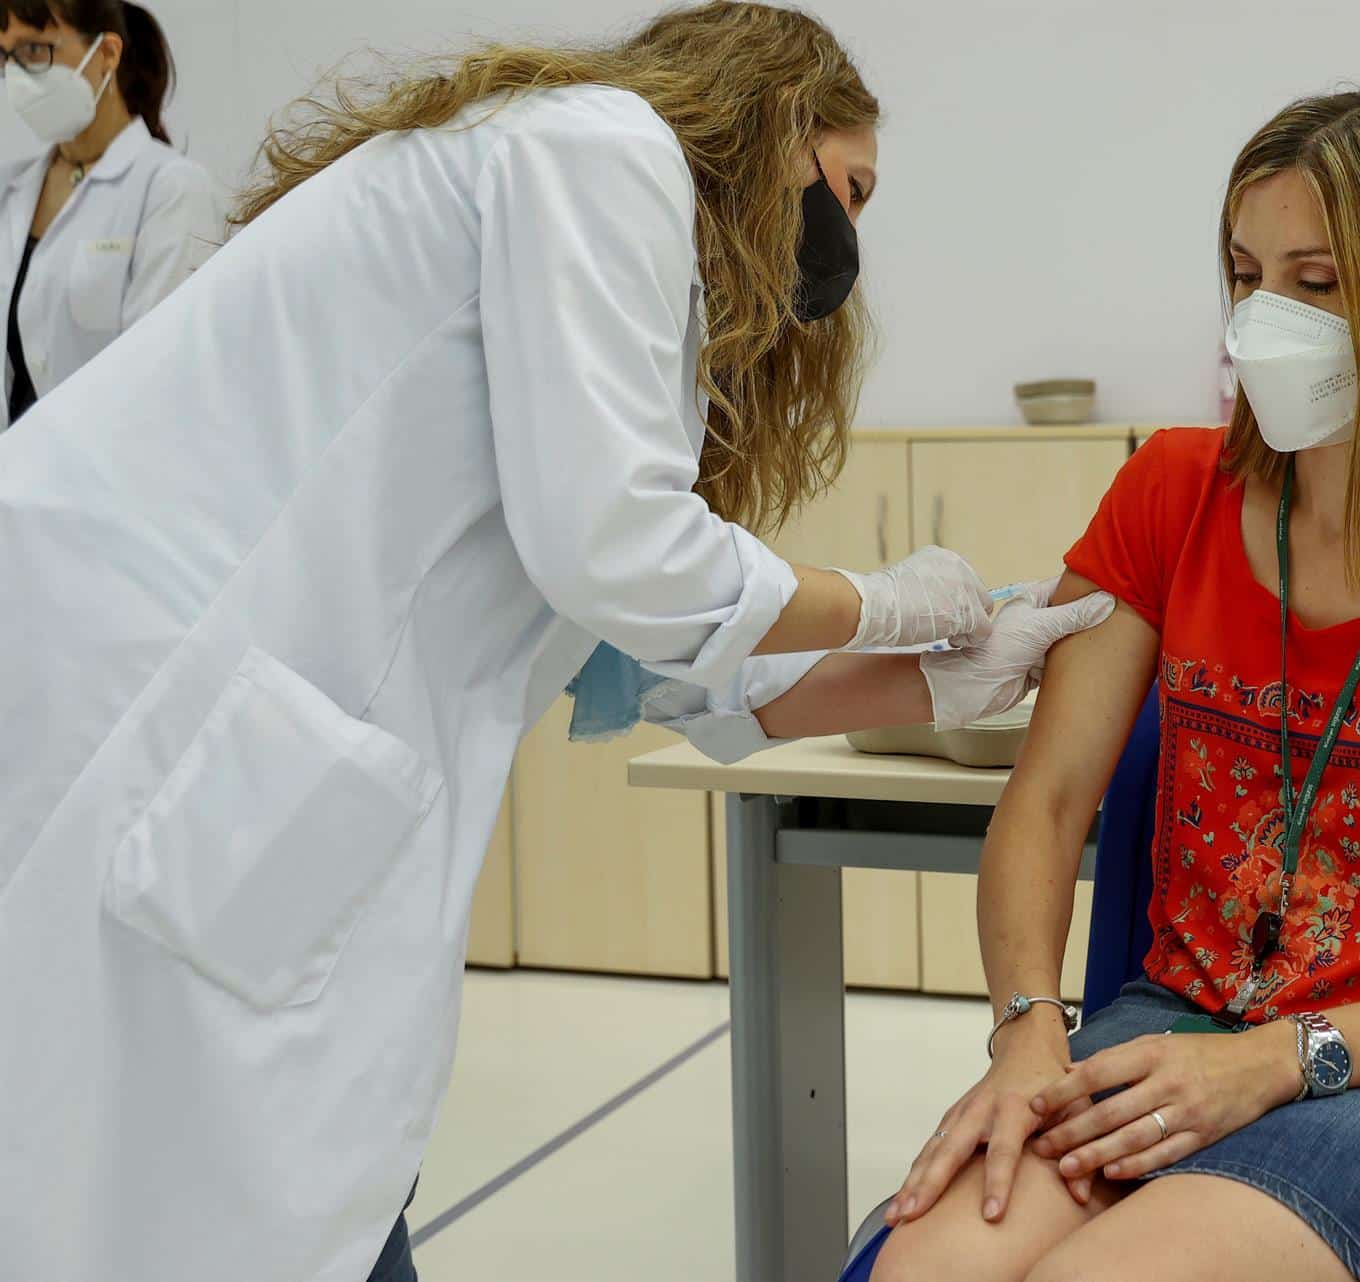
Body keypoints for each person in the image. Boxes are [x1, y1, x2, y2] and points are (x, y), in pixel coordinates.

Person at [0, 5, 1110, 1281]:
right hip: (127, 696)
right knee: (172, 1181)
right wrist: (887, 602)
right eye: (847, 189)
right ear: (769, 123)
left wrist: (930, 674)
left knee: (240, 1188)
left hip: (233, 755)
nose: (844, 240)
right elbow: (620, 554)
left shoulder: (585, 228)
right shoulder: (601, 148)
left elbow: (659, 659)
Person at [870, 88, 1360, 1282]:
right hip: (1170, 1031)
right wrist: (1027, 1033)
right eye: (1244, 275)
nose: (1262, 320)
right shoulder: (1170, 496)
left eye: (1317, 282)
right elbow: (1048, 795)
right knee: (928, 1272)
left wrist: (1281, 1057)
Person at [0, 0, 222, 424]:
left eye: (35, 51)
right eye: (6, 57)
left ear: (106, 55)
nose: (17, 77)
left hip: (100, 479)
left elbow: (159, 376)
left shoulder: (170, 190)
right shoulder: (8, 192)